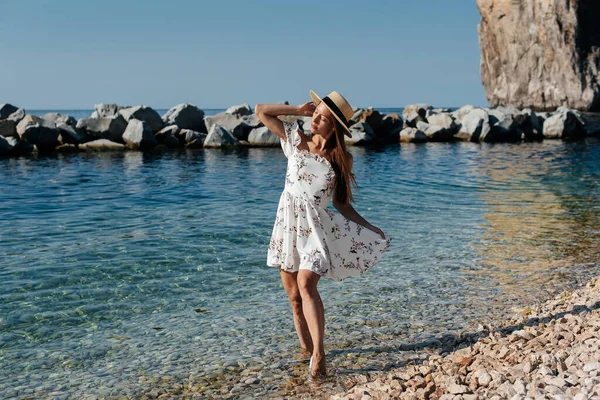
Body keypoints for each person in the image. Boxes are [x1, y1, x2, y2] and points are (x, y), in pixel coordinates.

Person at [255, 90, 390, 379]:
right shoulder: (295, 140)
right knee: (293, 297)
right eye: (316, 113)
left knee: (306, 284)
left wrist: (369, 227)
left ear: (335, 128)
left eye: (322, 117)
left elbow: (341, 204)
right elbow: (262, 111)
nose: (316, 119)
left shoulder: (342, 159)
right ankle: (305, 351)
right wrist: (297, 111)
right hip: (288, 226)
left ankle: (319, 354)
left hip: (316, 229)